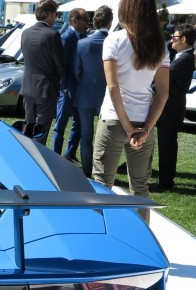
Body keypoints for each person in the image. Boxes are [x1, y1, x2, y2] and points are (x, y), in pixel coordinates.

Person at [91, 0, 169, 222]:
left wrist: (128, 128)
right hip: (144, 122)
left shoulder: (114, 40)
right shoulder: (160, 46)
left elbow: (113, 87)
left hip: (114, 121)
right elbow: (163, 94)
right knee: (140, 187)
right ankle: (141, 238)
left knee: (101, 185)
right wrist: (144, 130)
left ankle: (99, 234)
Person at [154, 23, 195, 192]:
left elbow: (163, 77)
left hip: (171, 108)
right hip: (170, 107)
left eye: (174, 37)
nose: (171, 40)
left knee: (167, 145)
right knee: (164, 143)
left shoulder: (184, 59)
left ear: (183, 39)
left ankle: (166, 181)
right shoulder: (182, 56)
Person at [73, 5, 112, 178]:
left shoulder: (82, 43)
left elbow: (77, 71)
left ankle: (87, 172)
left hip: (86, 94)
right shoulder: (115, 41)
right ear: (110, 22)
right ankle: (104, 172)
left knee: (86, 135)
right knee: (109, 137)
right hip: (108, 96)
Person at [19, 0, 63, 145]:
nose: (55, 18)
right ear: (49, 14)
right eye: (55, 14)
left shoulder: (25, 33)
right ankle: (36, 158)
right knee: (40, 133)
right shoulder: (52, 35)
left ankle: (26, 156)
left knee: (28, 130)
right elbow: (59, 65)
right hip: (46, 89)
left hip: (28, 88)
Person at [52, 7, 88, 161]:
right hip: (67, 89)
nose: (88, 23)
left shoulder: (85, 38)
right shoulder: (66, 38)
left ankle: (70, 154)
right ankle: (55, 156)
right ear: (74, 21)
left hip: (81, 88)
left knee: (78, 123)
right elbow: (61, 66)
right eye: (85, 19)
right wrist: (65, 87)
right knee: (61, 123)